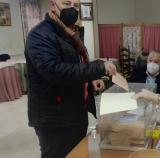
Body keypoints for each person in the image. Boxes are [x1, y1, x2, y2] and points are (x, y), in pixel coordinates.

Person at [24, 0, 116, 157]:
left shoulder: (72, 32)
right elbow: (55, 71)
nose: (72, 8)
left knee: (78, 153)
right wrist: (98, 67)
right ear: (53, 4)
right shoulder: (39, 35)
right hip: (54, 117)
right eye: (67, 3)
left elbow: (76, 63)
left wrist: (90, 80)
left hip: (76, 111)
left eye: (76, 5)